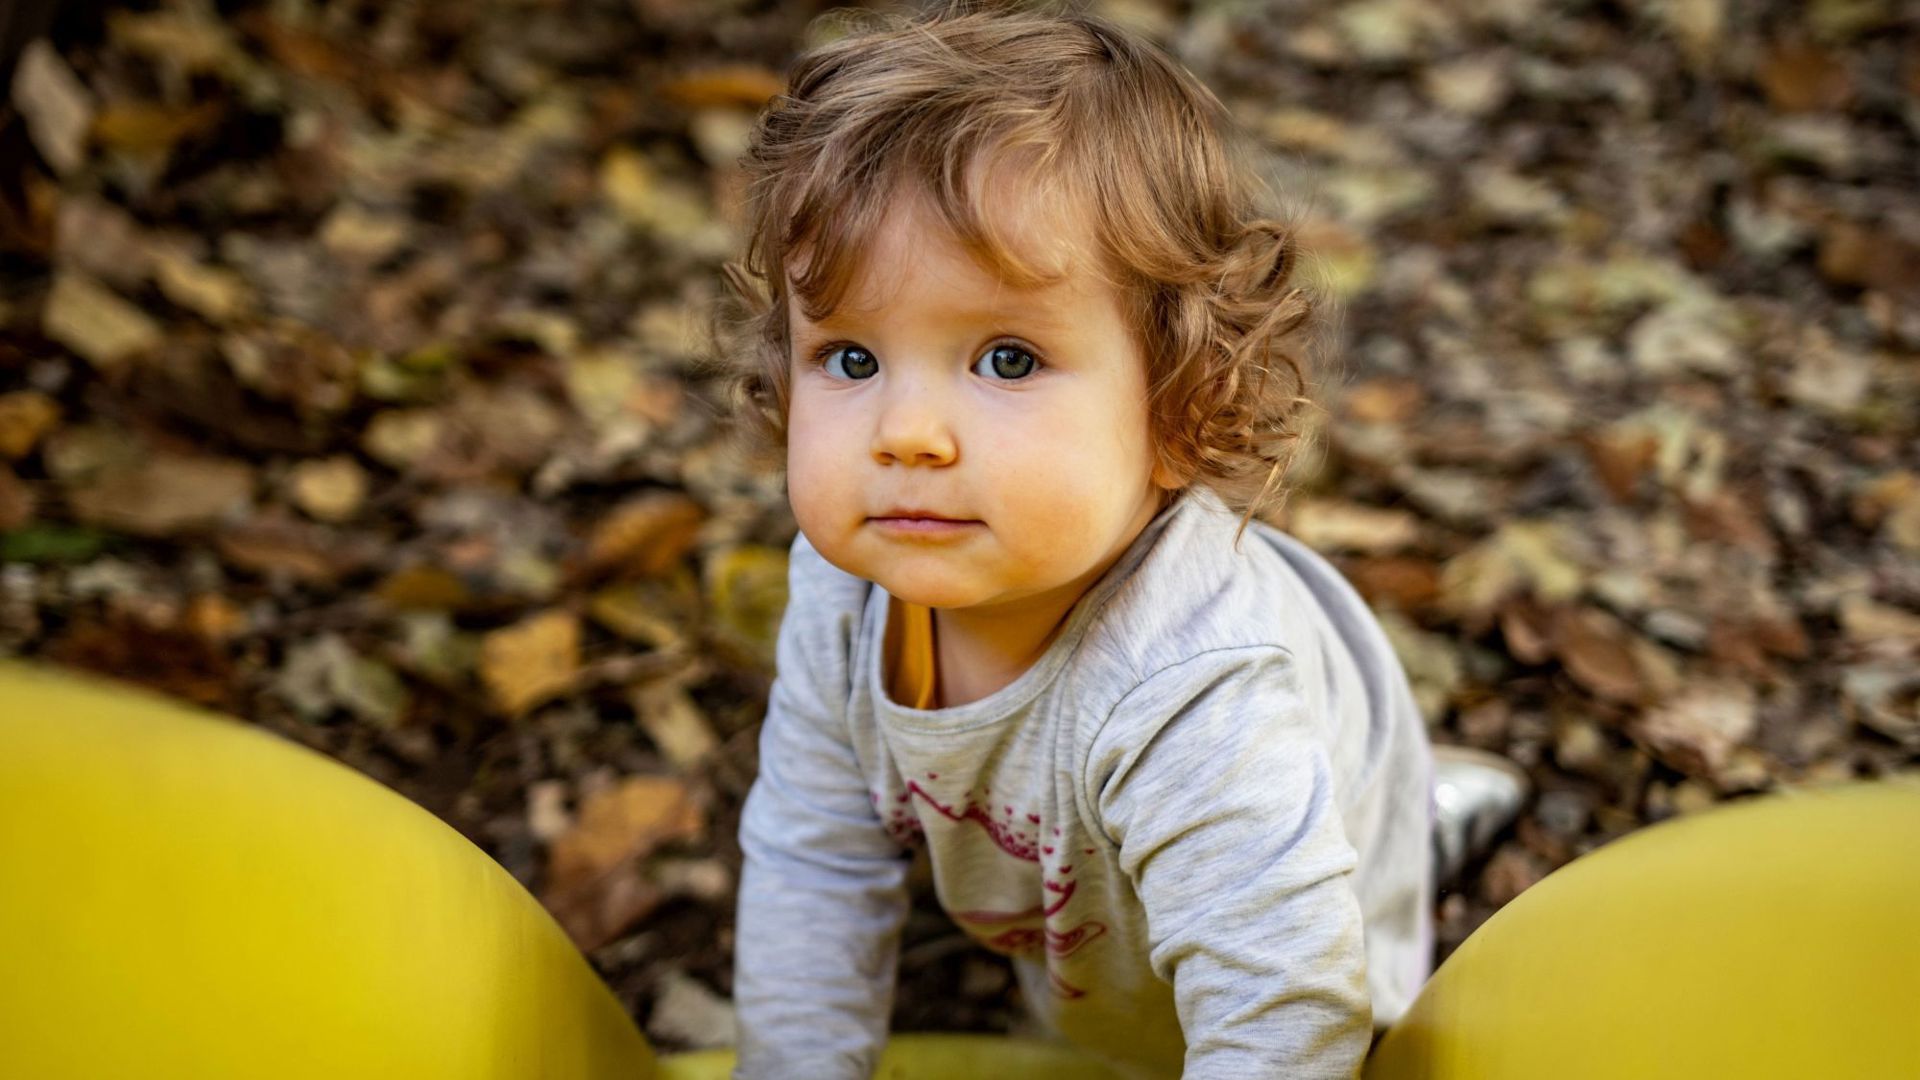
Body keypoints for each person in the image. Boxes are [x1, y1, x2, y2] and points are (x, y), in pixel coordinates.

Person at [709, 3, 1526, 1076]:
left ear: (1179, 410)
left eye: (1006, 359)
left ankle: (1416, 819)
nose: (905, 433)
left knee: (1315, 970)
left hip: (1301, 893)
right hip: (1086, 911)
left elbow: (1283, 1011)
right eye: (851, 359)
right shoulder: (845, 594)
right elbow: (813, 861)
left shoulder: (1198, 695)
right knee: (1101, 999)